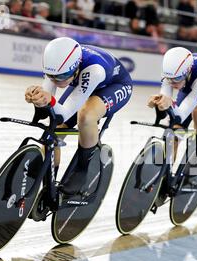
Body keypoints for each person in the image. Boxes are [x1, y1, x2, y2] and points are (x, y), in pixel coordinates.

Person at [24, 37, 133, 195]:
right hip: (84, 81)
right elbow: (53, 109)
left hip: (114, 85)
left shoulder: (94, 70)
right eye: (51, 76)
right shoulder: (57, 66)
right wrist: (38, 98)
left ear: (76, 67)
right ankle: (49, 182)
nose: (57, 81)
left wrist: (49, 100)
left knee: (86, 116)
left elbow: (64, 112)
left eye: (62, 76)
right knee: (55, 130)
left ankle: (82, 169)